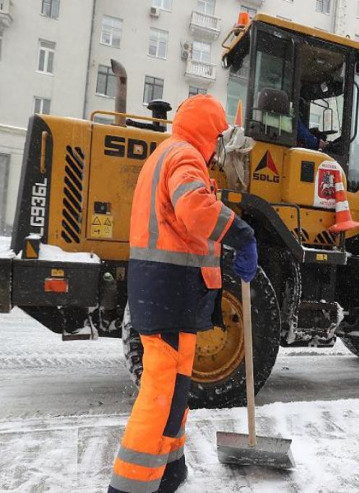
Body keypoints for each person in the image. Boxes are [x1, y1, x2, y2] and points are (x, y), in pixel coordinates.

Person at [108, 94, 257, 493]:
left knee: (175, 386)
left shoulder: (169, 154)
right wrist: (242, 234)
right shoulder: (185, 156)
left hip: (169, 290)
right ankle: (129, 486)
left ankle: (170, 468)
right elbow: (194, 209)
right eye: (220, 134)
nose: (221, 144)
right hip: (168, 290)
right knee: (162, 391)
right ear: (209, 131)